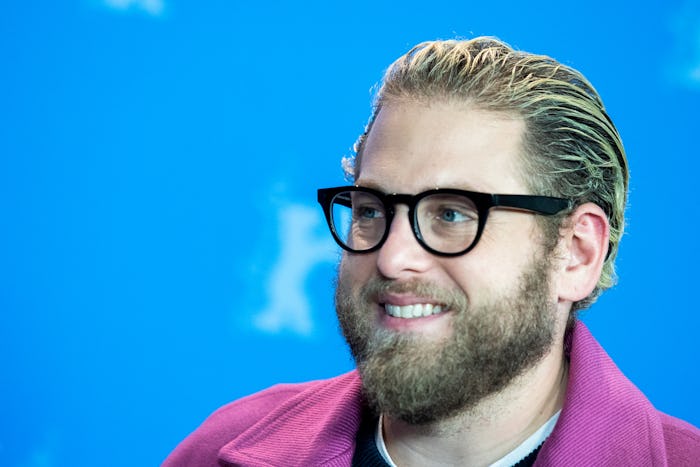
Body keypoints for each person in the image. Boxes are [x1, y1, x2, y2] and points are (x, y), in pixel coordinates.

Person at [163, 37, 700, 466]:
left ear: (577, 254)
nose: (393, 259)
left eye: (450, 214)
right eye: (372, 210)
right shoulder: (219, 449)